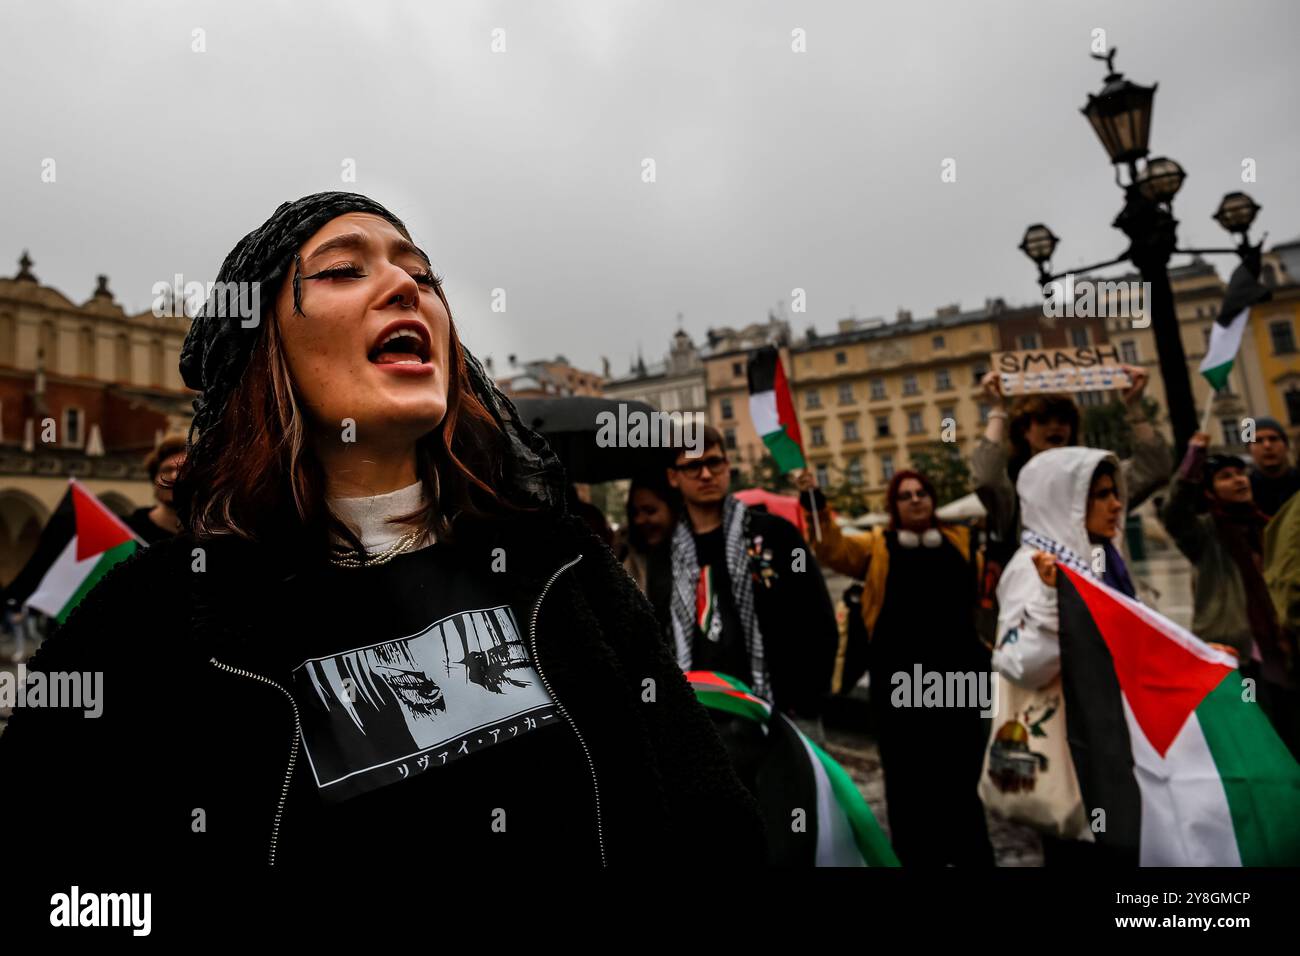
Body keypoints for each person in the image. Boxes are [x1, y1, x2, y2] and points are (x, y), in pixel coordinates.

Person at [0, 192, 765, 870]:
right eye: (342, 271)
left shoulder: (562, 569)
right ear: (263, 347)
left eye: (422, 275)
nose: (405, 285)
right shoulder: (153, 617)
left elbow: (711, 827)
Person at [796, 468, 993, 867]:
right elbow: (830, 548)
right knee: (908, 783)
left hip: (961, 682)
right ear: (894, 505)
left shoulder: (963, 542)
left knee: (963, 779)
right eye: (906, 495)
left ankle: (973, 857)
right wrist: (814, 500)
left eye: (922, 492)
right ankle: (919, 858)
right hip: (901, 686)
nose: (916, 499)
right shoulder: (877, 547)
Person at [992, 446, 1134, 865]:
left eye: (1114, 492)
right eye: (1102, 495)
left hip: (1111, 743)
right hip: (1073, 752)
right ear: (1065, 502)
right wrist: (1053, 600)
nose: (1117, 504)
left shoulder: (1102, 557)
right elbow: (1019, 665)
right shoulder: (1030, 568)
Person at [658, 428, 838, 720]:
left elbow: (818, 616)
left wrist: (807, 699)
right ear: (673, 477)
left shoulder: (776, 535)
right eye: (692, 466)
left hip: (780, 709)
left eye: (714, 463)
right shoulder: (665, 552)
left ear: (727, 467)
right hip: (702, 716)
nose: (706, 474)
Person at [1161, 433, 1299, 758]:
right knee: (1255, 746)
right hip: (1236, 656)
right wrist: (1193, 459)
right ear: (1210, 491)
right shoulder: (1205, 534)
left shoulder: (1269, 527)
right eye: (1226, 477)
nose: (1238, 480)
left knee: (1290, 737)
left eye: (1240, 473)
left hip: (1282, 652)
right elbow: (1174, 513)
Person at [974, 368, 1170, 577]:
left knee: (1099, 587)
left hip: (1099, 573)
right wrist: (996, 410)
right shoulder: (1017, 486)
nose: (1055, 427)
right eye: (1043, 420)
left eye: (1063, 420)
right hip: (1041, 585)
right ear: (1024, 431)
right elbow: (986, 479)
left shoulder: (1095, 473)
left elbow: (1155, 468)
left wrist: (1134, 406)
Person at [622, 471, 677, 618]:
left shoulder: (693, 557)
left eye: (650, 511)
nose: (639, 520)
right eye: (635, 513)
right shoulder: (630, 563)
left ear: (673, 509)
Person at [124, 433, 187, 545]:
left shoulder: (216, 534)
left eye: (184, 469)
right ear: (154, 479)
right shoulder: (127, 532)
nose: (174, 476)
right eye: (167, 470)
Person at [1247, 416, 1300, 517]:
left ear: (1286, 445)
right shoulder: (1245, 491)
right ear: (1249, 449)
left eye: (1273, 439)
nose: (1267, 445)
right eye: (1258, 440)